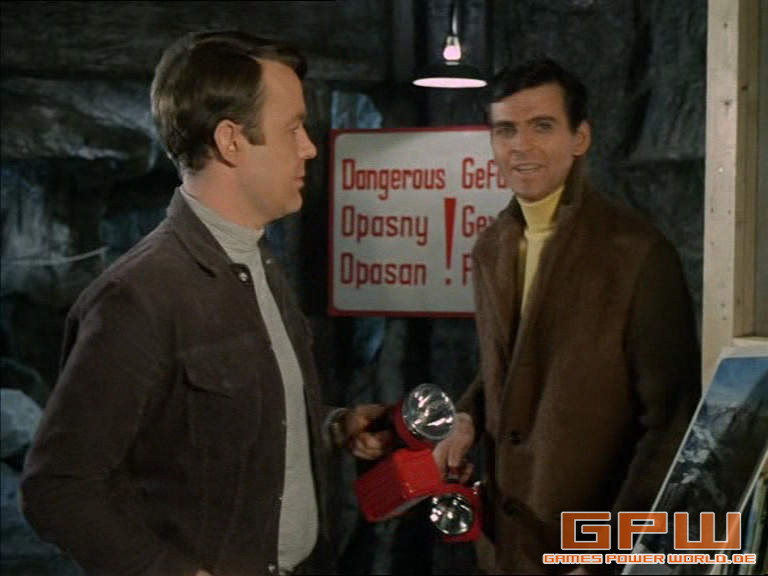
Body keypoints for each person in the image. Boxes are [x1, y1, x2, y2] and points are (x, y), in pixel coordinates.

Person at [21, 30, 390, 576]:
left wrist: (333, 425)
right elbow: (58, 488)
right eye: (292, 129)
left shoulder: (260, 264)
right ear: (231, 140)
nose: (309, 147)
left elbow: (223, 421)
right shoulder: (138, 298)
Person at [433, 58, 700, 574]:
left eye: (542, 126)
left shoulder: (637, 254)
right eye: (505, 130)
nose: (520, 146)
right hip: (505, 549)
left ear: (580, 138)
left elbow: (672, 423)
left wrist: (609, 551)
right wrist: (467, 417)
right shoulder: (491, 246)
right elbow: (510, 368)